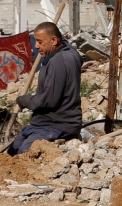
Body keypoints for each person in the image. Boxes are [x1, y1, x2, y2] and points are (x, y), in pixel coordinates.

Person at [9, 21, 83, 155]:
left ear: (54, 40)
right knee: (11, 151)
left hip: (56, 125)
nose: (36, 46)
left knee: (23, 154)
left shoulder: (59, 61)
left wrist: (23, 100)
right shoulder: (67, 53)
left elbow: (47, 101)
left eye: (40, 41)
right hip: (44, 123)